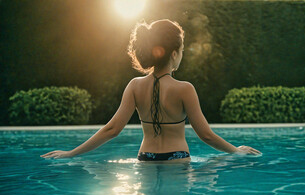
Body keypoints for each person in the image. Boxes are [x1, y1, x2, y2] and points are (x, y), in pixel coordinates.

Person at [41, 19, 260, 162]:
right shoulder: (185, 89)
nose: (182, 54)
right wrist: (236, 150)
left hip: (144, 159)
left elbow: (112, 129)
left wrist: (70, 153)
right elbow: (206, 135)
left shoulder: (134, 85)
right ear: (174, 53)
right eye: (182, 50)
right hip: (177, 160)